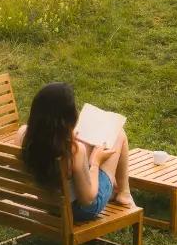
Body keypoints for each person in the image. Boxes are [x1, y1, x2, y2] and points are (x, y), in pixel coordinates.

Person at [18, 82, 136, 221]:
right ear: (69, 117)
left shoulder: (22, 135)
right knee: (119, 134)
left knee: (86, 143)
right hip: (79, 211)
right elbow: (88, 200)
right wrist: (96, 162)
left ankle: (116, 189)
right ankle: (124, 193)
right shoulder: (74, 150)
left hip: (48, 203)